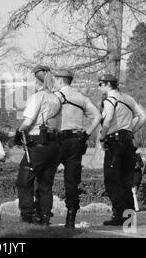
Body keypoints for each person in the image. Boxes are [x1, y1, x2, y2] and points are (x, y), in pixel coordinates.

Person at [52, 69, 102, 228]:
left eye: (55, 80)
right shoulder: (81, 98)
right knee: (71, 182)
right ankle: (70, 220)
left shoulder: (55, 96)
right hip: (76, 141)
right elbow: (98, 116)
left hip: (58, 140)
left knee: (45, 176)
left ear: (60, 81)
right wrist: (86, 134)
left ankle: (43, 215)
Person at [98, 74, 146, 226]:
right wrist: (131, 131)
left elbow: (108, 119)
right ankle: (129, 217)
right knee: (126, 180)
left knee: (112, 180)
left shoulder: (109, 100)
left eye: (100, 84)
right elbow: (143, 117)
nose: (99, 87)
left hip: (115, 142)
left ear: (108, 84)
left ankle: (119, 215)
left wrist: (102, 136)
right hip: (128, 142)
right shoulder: (128, 99)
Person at [15, 65, 62, 226]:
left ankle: (27, 216)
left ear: (36, 81)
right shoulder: (56, 98)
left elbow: (28, 122)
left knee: (24, 180)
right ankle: (45, 217)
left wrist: (18, 131)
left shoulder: (37, 97)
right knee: (45, 184)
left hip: (38, 144)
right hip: (54, 145)